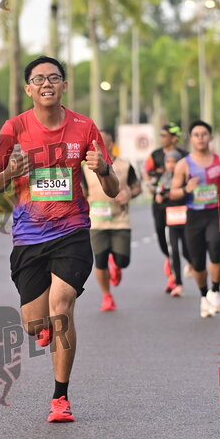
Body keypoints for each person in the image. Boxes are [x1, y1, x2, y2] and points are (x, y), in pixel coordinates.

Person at [0, 56, 118, 422]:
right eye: (39, 79)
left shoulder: (85, 127)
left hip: (72, 231)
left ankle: (60, 397)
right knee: (34, 324)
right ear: (28, 89)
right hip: (29, 237)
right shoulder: (14, 128)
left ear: (64, 86)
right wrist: (10, 172)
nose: (47, 84)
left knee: (62, 305)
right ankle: (42, 328)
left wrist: (104, 169)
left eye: (54, 78)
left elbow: (112, 189)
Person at [170, 120, 220, 318]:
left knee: (216, 249)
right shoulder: (183, 164)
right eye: (196, 135)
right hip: (194, 216)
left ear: (210, 137)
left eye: (204, 134)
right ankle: (204, 295)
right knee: (197, 262)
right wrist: (186, 189)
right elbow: (173, 192)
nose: (200, 138)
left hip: (216, 212)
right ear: (191, 139)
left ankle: (216, 290)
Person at [82, 131, 141, 311]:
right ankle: (107, 296)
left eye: (101, 142)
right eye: (94, 142)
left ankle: (116, 264)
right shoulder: (86, 168)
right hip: (97, 221)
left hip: (120, 219)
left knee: (123, 260)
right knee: (100, 261)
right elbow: (82, 192)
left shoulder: (125, 165)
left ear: (110, 144)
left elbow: (137, 188)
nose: (96, 145)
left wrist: (129, 194)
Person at [143, 123, 188, 291]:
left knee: (181, 243)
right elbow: (146, 173)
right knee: (163, 239)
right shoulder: (154, 155)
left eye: (164, 135)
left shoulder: (185, 156)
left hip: (180, 206)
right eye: (160, 135)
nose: (161, 138)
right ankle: (169, 259)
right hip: (160, 205)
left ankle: (174, 276)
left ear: (174, 138)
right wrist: (151, 187)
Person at [155, 150, 191, 297]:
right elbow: (158, 198)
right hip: (171, 220)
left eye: (174, 162)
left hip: (187, 219)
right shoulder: (163, 179)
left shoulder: (187, 177)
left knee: (188, 250)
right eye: (168, 162)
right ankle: (178, 283)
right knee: (174, 251)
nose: (171, 165)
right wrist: (162, 195)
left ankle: (192, 264)